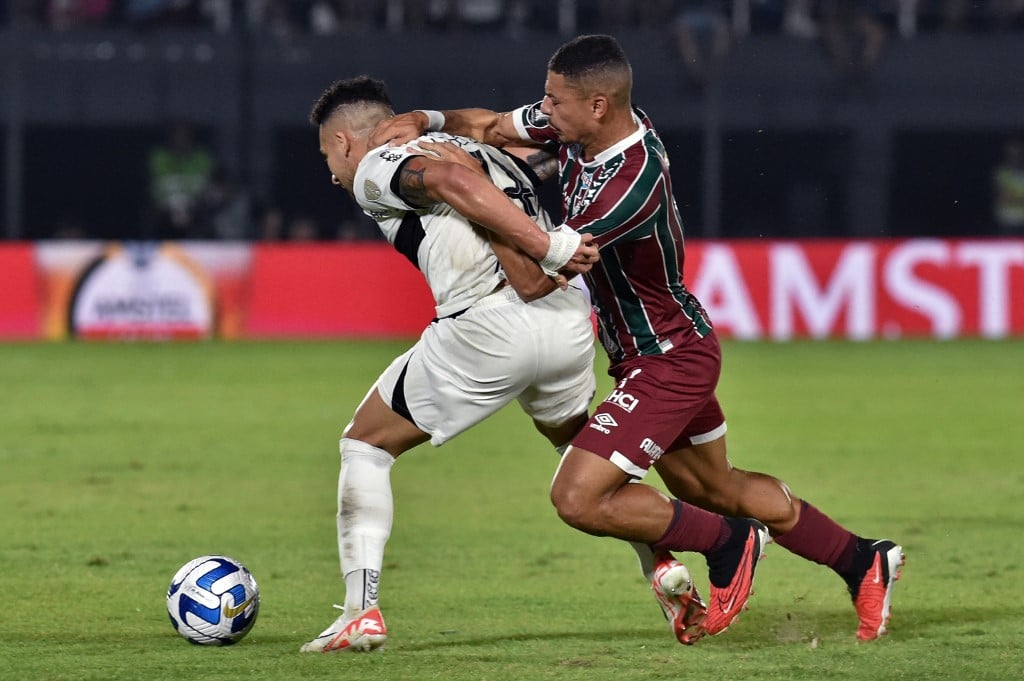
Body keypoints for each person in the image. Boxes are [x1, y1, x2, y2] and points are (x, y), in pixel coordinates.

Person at [372, 34, 905, 642]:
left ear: (598, 105)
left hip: (667, 360)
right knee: (713, 486)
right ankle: (863, 560)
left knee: (578, 497)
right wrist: (427, 120)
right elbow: (493, 125)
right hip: (667, 349)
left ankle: (731, 546)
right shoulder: (585, 128)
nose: (544, 112)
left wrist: (473, 202)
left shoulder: (629, 182)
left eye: (555, 101)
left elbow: (531, 280)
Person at [300, 76, 750, 652]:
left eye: (326, 156)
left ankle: (359, 614)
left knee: (365, 445)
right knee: (579, 450)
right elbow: (518, 154)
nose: (330, 171)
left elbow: (446, 179)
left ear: (343, 141)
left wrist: (543, 247)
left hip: (492, 323)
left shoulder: (378, 165)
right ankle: (662, 567)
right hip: (564, 322)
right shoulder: (485, 146)